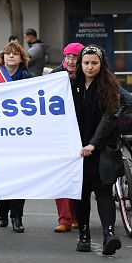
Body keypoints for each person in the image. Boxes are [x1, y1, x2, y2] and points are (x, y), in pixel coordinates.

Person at [71, 45, 123, 255]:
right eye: (86, 63)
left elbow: (109, 117)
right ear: (80, 63)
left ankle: (109, 234)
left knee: (103, 191)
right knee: (80, 193)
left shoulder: (108, 85)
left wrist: (93, 143)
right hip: (76, 149)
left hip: (100, 148)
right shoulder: (70, 83)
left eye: (94, 63)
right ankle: (84, 235)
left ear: (101, 64)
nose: (90, 67)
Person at [0, 42, 33, 233]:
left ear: (22, 58)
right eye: (8, 53)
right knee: (1, 175)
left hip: (20, 134)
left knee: (19, 176)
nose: (11, 56)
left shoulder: (28, 77)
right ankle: (3, 211)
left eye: (15, 54)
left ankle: (17, 216)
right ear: (2, 57)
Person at [51, 42, 84, 233]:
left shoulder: (89, 74)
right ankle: (65, 219)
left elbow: (117, 92)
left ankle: (77, 216)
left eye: (75, 57)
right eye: (68, 57)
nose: (71, 61)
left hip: (83, 129)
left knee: (80, 176)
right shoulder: (55, 76)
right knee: (61, 174)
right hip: (60, 132)